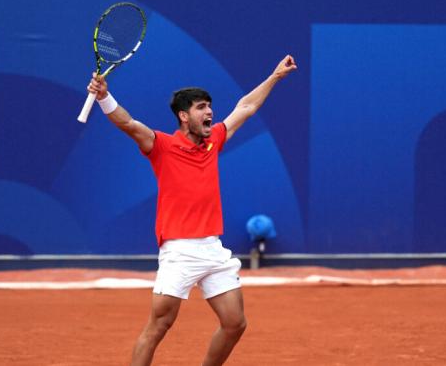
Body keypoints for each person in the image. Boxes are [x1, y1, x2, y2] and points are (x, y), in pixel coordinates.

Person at [87, 55, 297, 366]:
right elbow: (128, 124)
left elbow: (246, 107)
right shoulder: (161, 145)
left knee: (234, 323)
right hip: (180, 251)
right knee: (159, 325)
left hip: (212, 248)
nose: (210, 112)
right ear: (184, 116)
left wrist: (275, 76)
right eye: (201, 107)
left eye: (210, 106)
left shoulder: (214, 142)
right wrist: (104, 97)